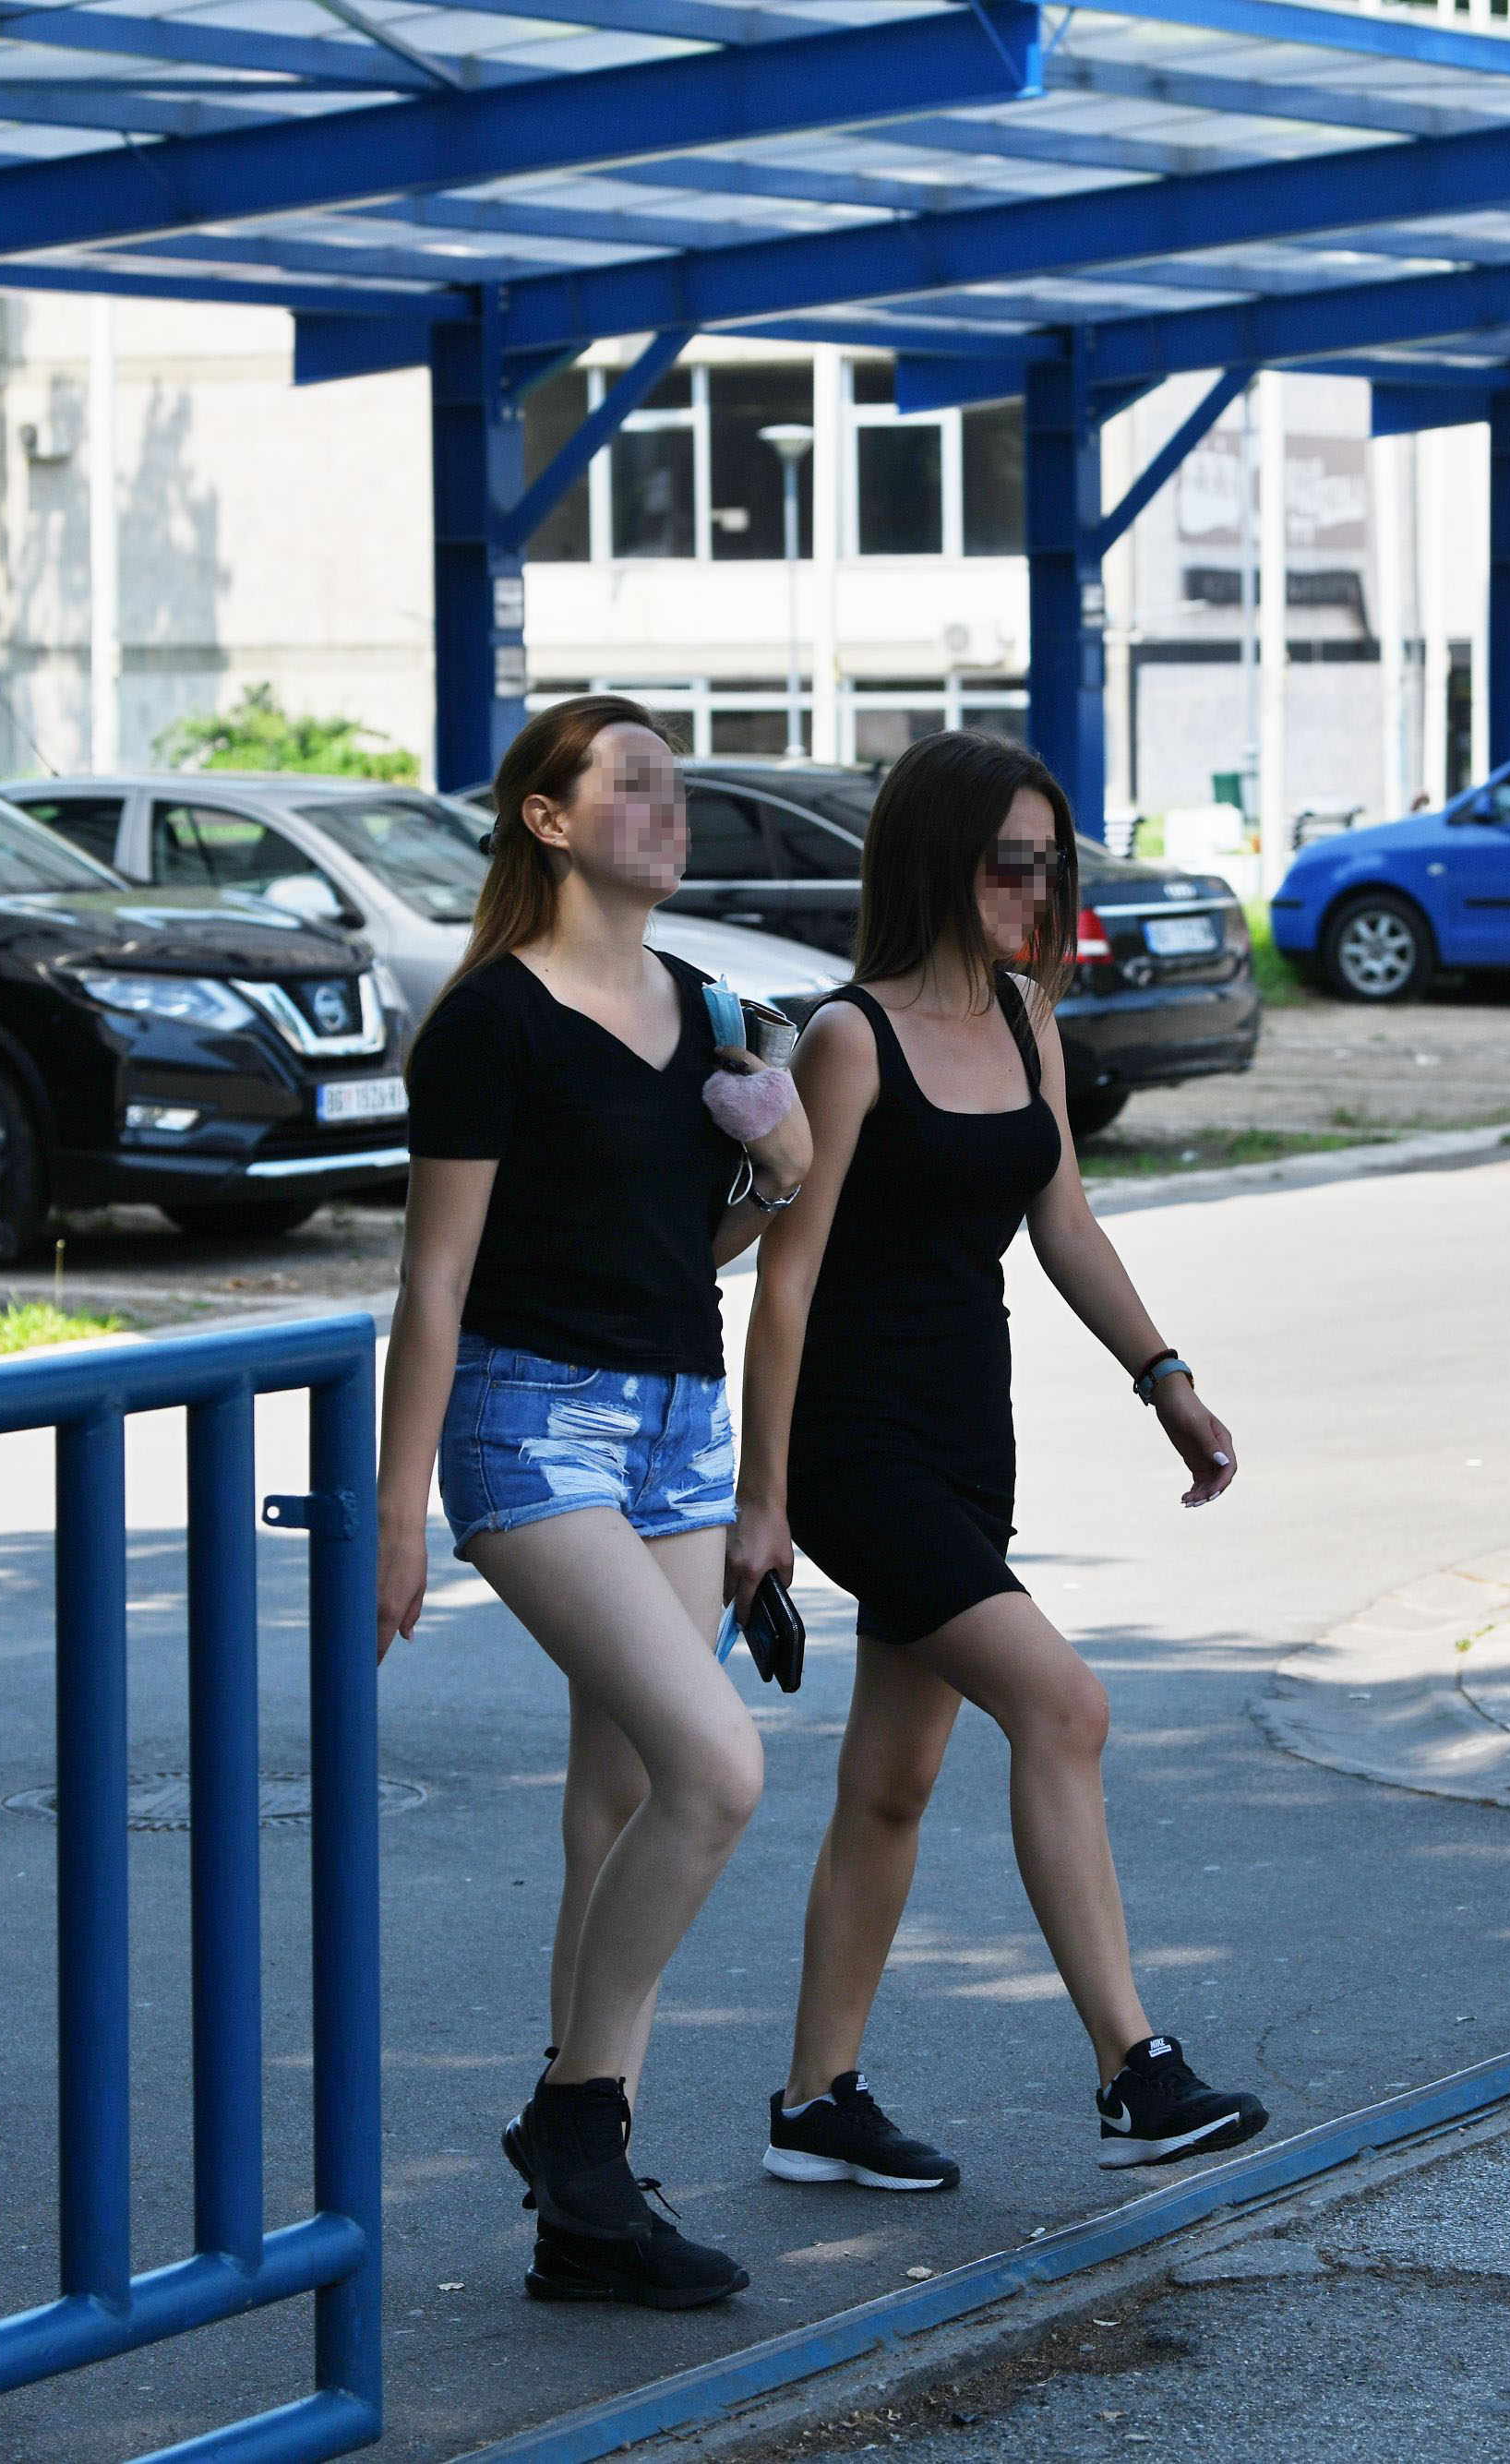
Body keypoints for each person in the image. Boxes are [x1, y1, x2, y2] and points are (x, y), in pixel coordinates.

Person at [732, 729, 1268, 2197]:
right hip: (857, 1444)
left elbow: (1065, 1222)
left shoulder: (1029, 1021)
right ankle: (1133, 2070)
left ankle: (815, 2102)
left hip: (972, 1432)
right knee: (1065, 1704)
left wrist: (1165, 1379)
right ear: (935, 863)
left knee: (894, 1779)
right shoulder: (851, 1038)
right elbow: (785, 1279)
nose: (1035, 892)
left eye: (1048, 865)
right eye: (1005, 866)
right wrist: (764, 1500)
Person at [378, 695, 813, 2309]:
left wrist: (781, 1170)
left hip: (678, 1428)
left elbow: (684, 1247)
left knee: (622, 1797)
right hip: (531, 1422)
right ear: (548, 820)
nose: (667, 807)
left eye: (676, 785)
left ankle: (587, 2213)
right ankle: (576, 2119)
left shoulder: (709, 1010)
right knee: (719, 1764)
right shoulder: (490, 1021)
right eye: (632, 784)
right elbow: (434, 1285)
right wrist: (399, 1512)